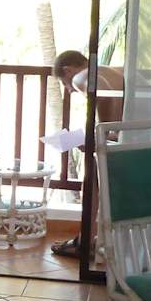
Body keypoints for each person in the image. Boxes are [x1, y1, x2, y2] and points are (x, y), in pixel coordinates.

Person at [50, 50, 125, 257]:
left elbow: (100, 92)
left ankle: (85, 241)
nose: (69, 89)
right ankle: (87, 239)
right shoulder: (111, 71)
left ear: (68, 71)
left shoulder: (84, 76)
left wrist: (100, 135)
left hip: (129, 143)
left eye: (64, 84)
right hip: (145, 136)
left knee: (90, 174)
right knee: (92, 173)